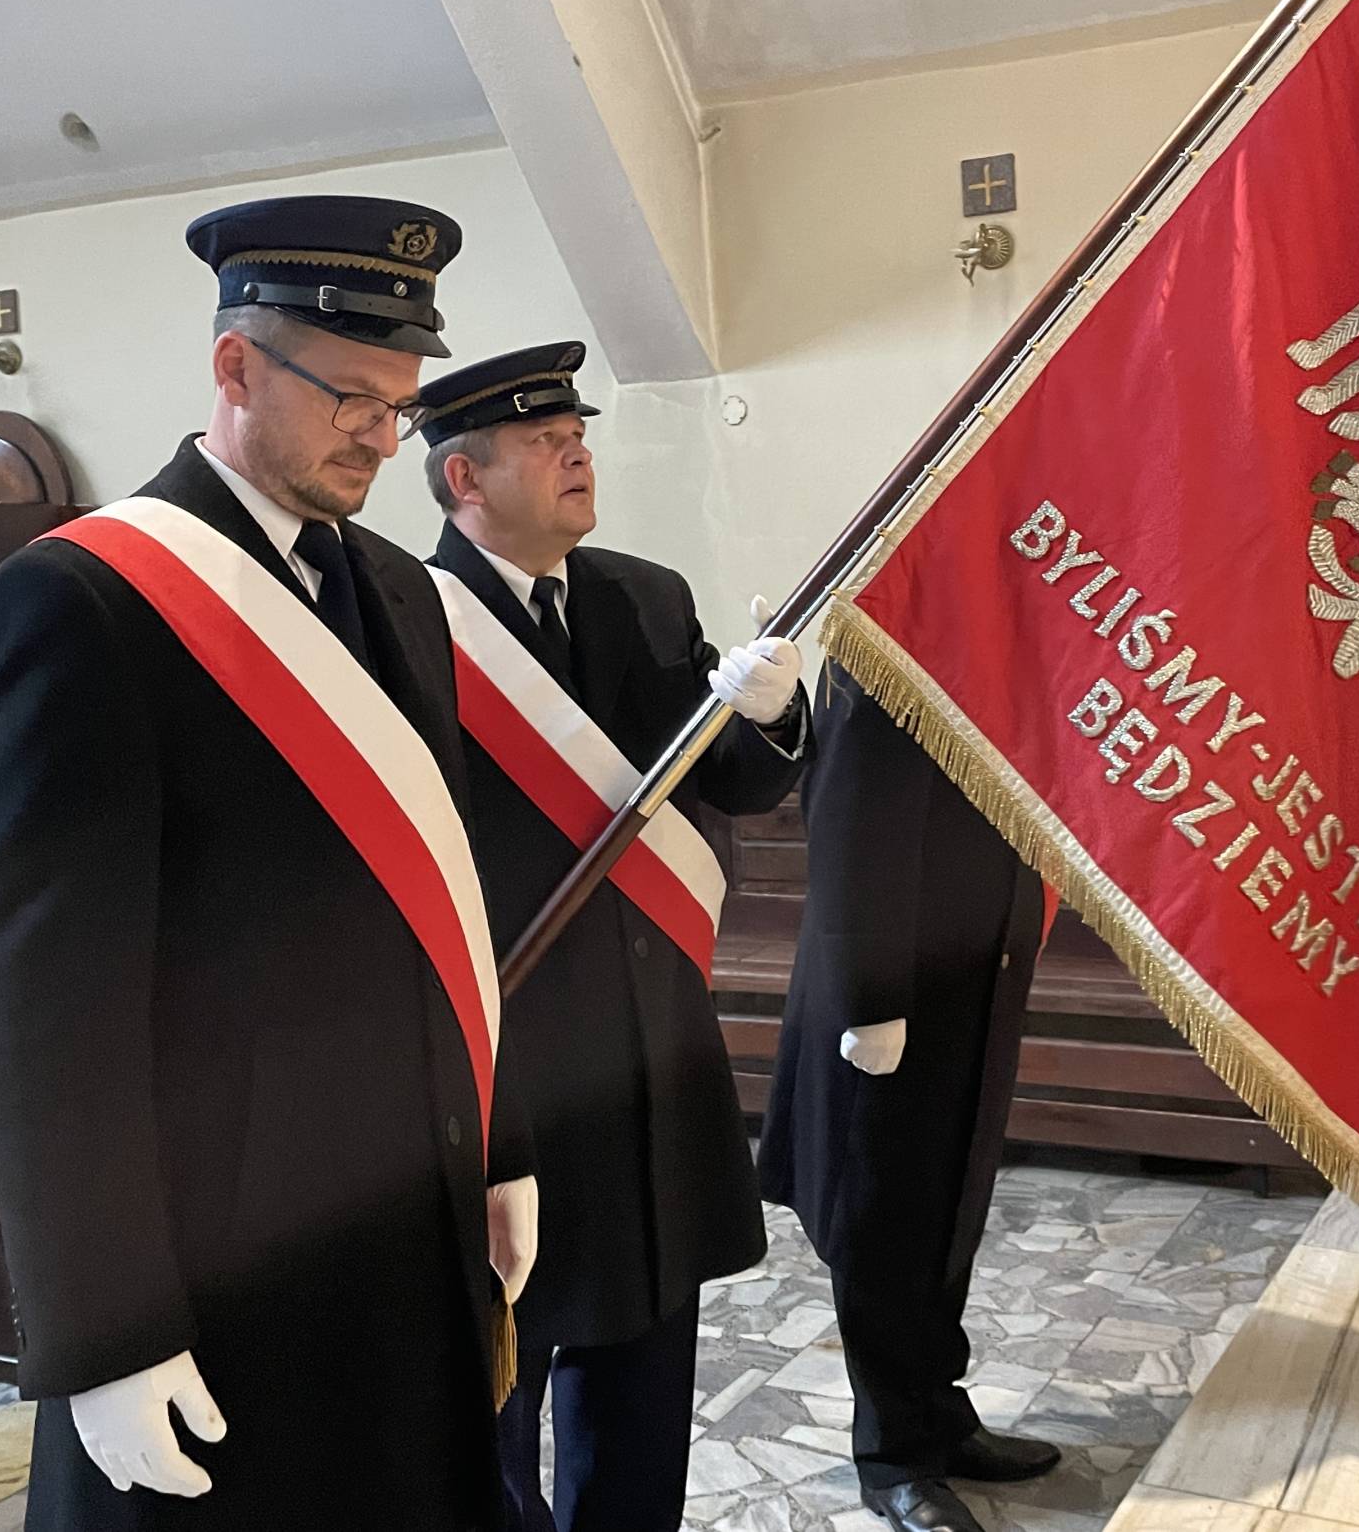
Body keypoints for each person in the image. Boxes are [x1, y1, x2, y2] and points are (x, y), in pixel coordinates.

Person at [0, 195, 534, 1532]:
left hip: (409, 1224)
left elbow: (443, 901)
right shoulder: (84, 598)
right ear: (234, 366)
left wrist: (495, 1143)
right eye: (351, 397)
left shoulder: (397, 587)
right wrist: (103, 1328)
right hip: (223, 1252)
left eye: (399, 406)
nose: (380, 437)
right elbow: (44, 1002)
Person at [417, 340, 809, 1531]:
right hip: (510, 1069)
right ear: (462, 479)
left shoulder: (643, 594)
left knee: (641, 1373)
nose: (576, 453)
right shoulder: (403, 620)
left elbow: (728, 783)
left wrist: (770, 714)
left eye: (577, 433)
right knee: (496, 1386)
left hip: (647, 1057)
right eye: (542, 441)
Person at [758, 665, 1061, 1532]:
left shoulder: (992, 644)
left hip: (972, 977)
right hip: (894, 1000)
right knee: (883, 1225)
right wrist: (871, 1000)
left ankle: (940, 1414)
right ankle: (892, 1452)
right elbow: (851, 819)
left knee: (948, 1210)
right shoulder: (889, 641)